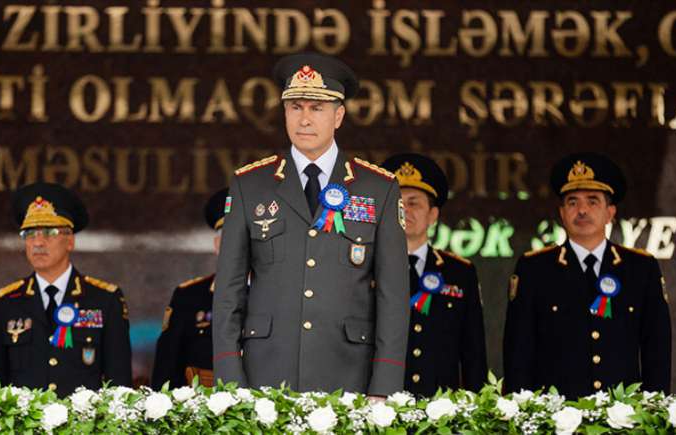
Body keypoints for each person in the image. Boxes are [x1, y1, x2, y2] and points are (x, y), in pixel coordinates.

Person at [212, 53, 409, 396]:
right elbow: (229, 291)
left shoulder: (379, 188)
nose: (304, 119)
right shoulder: (250, 185)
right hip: (265, 375)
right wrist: (230, 381)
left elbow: (393, 297)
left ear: (339, 116)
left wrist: (384, 387)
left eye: (317, 108)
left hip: (349, 375)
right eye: (295, 107)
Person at [503, 152, 671, 399]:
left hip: (623, 414)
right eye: (572, 202)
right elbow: (518, 352)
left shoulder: (640, 268)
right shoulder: (534, 269)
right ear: (562, 213)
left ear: (610, 212)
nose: (582, 210)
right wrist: (522, 411)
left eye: (593, 201)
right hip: (555, 414)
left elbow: (656, 350)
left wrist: (653, 408)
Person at [0, 182, 132, 397]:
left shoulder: (104, 299)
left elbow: (119, 383)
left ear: (70, 240)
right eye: (29, 234)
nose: (38, 243)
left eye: (49, 232)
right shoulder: (6, 302)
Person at [382, 153, 487, 396]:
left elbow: (473, 352)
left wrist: (479, 406)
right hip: (381, 408)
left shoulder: (460, 273)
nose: (405, 210)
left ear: (433, 215)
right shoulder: (365, 268)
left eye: (414, 203)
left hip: (441, 408)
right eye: (397, 203)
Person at [151, 188, 228, 390]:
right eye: (229, 238)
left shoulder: (277, 294)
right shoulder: (188, 297)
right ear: (217, 245)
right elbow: (166, 371)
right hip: (200, 406)